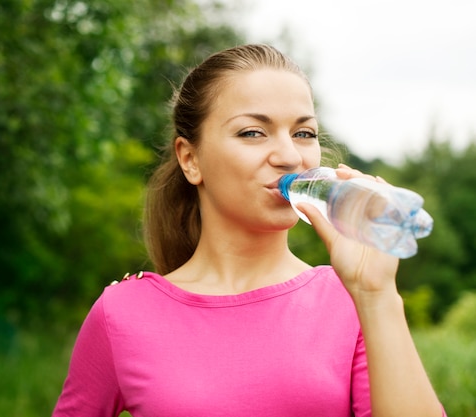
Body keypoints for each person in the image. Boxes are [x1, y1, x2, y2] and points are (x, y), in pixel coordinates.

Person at [52, 44, 446, 416]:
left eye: (303, 133)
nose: (290, 156)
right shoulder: (121, 313)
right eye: (252, 133)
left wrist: (376, 295)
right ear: (190, 159)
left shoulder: (350, 300)